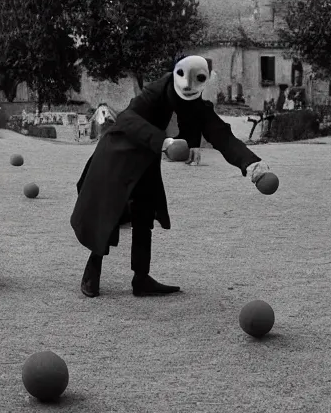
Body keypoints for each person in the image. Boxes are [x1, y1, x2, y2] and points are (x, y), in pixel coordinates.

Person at [70, 55, 272, 298]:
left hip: (147, 157)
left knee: (144, 213)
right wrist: (164, 142)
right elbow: (127, 119)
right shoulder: (157, 89)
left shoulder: (196, 102)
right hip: (118, 153)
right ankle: (93, 269)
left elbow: (221, 134)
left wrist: (251, 164)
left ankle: (141, 279)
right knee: (108, 211)